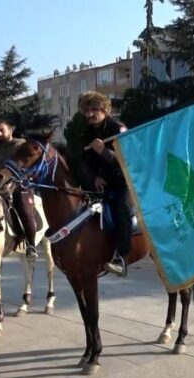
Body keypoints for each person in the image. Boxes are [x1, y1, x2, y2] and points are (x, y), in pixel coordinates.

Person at [69, 91, 130, 277]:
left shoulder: (118, 128)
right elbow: (83, 164)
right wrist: (94, 178)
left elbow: (128, 159)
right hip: (98, 186)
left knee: (122, 209)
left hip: (122, 183)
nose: (90, 114)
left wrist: (104, 152)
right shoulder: (86, 133)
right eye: (87, 110)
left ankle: (121, 258)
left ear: (105, 110)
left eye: (94, 109)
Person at [0, 119, 37, 260]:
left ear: (10, 130)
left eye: (1, 130)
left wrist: (13, 184)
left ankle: (31, 245)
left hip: (20, 186)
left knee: (23, 209)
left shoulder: (20, 145)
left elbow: (29, 168)